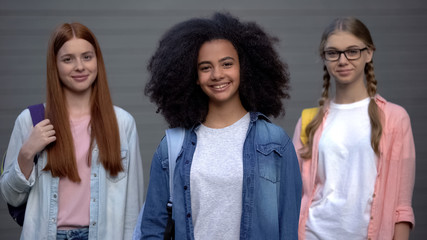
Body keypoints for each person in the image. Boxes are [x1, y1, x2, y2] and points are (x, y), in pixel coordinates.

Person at [138, 12, 302, 240]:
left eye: (226, 64)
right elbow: (152, 228)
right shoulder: (172, 147)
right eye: (205, 67)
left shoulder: (275, 143)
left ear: (243, 68)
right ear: (193, 76)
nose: (217, 75)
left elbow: (288, 226)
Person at [0, 22, 144, 239]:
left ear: (98, 60)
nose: (80, 66)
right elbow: (12, 197)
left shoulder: (122, 123)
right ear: (55, 65)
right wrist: (26, 153)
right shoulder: (30, 121)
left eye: (87, 57)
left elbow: (133, 204)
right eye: (68, 59)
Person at [292, 17, 415, 240]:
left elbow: (402, 208)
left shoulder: (395, 118)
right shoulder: (308, 121)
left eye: (352, 51)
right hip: (313, 234)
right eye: (333, 53)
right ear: (324, 58)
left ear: (369, 53)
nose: (342, 60)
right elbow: (292, 194)